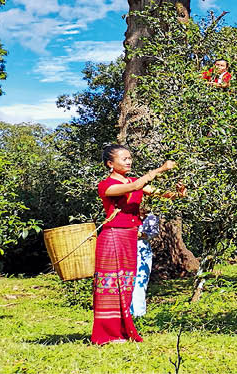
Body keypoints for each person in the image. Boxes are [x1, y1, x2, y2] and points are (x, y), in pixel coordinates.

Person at [92, 145, 186, 345]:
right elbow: (134, 188)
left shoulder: (135, 181)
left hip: (130, 238)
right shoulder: (106, 185)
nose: (128, 161)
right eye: (123, 158)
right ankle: (107, 334)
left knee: (126, 285)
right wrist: (159, 170)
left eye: (129, 158)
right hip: (113, 238)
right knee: (110, 286)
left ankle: (122, 330)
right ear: (110, 164)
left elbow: (163, 194)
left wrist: (178, 194)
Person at [130, 212, 159, 318]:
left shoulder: (152, 217)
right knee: (127, 280)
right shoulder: (129, 215)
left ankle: (138, 314)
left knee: (141, 281)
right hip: (127, 248)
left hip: (143, 250)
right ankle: (127, 313)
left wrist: (142, 235)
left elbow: (154, 233)